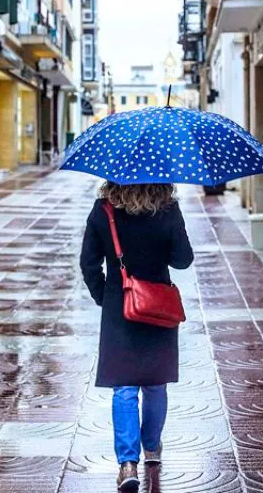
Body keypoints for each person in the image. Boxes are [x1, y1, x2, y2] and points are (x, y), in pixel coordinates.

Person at [79, 181, 195, 492]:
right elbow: (183, 259)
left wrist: (105, 296)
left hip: (120, 306)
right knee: (156, 384)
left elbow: (88, 263)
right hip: (159, 306)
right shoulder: (168, 208)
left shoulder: (103, 210)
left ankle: (127, 463)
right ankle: (153, 446)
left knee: (125, 387)